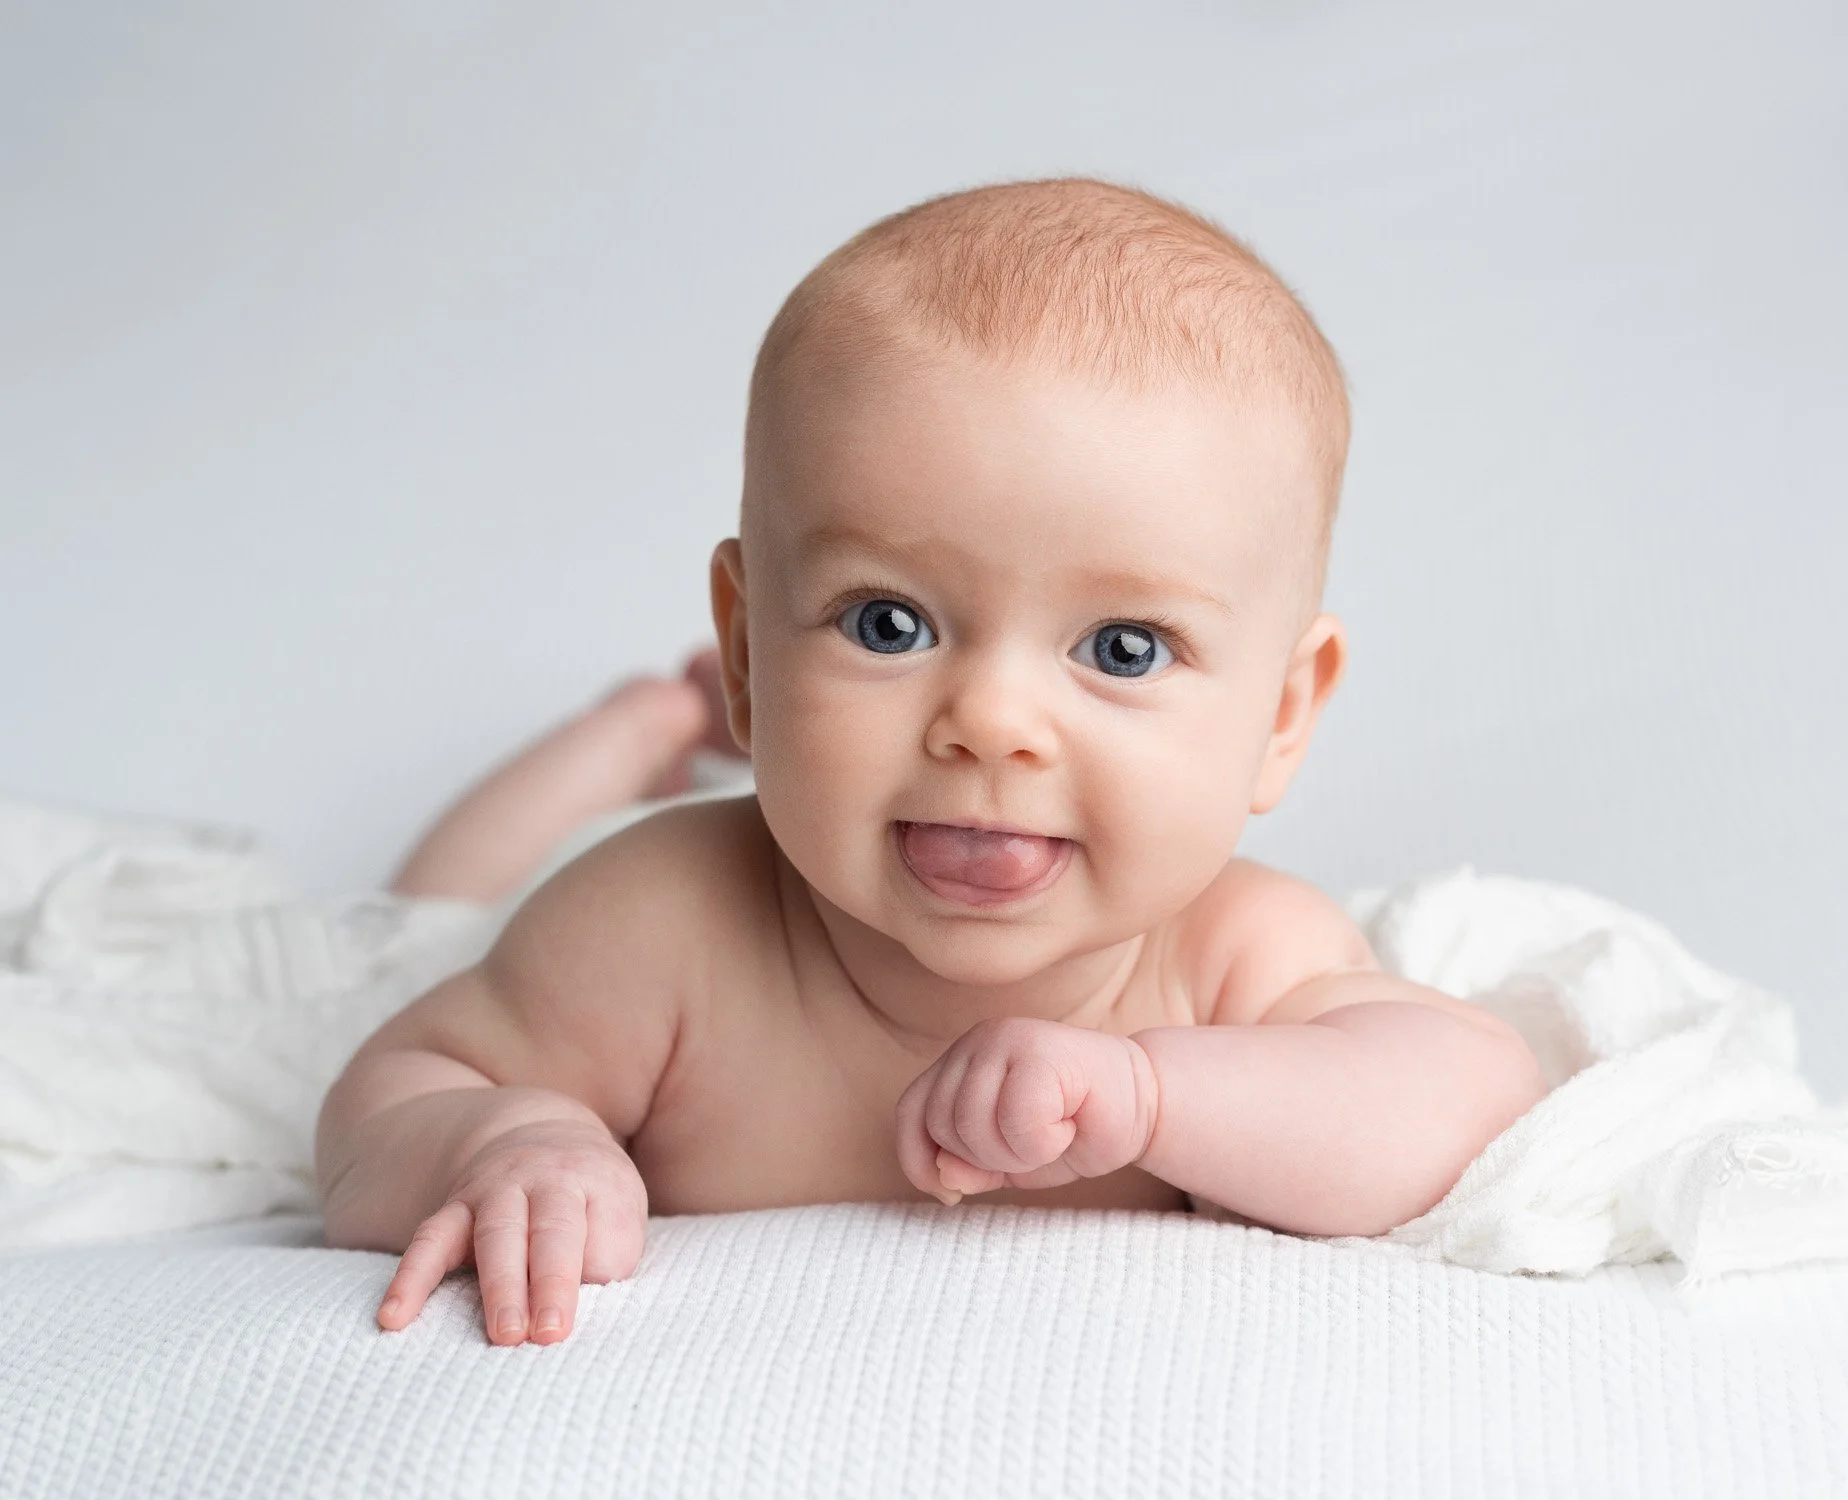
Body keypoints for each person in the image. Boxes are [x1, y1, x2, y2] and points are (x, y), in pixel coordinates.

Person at [316, 177, 1547, 1348]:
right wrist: (505, 1139)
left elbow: (1464, 1101)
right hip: (577, 878)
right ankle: (637, 732)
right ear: (748, 655)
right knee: (430, 909)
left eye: (1122, 648)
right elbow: (402, 1076)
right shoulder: (658, 926)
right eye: (886, 624)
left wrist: (1153, 1097)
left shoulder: (1232, 959)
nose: (991, 725)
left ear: (1281, 714)